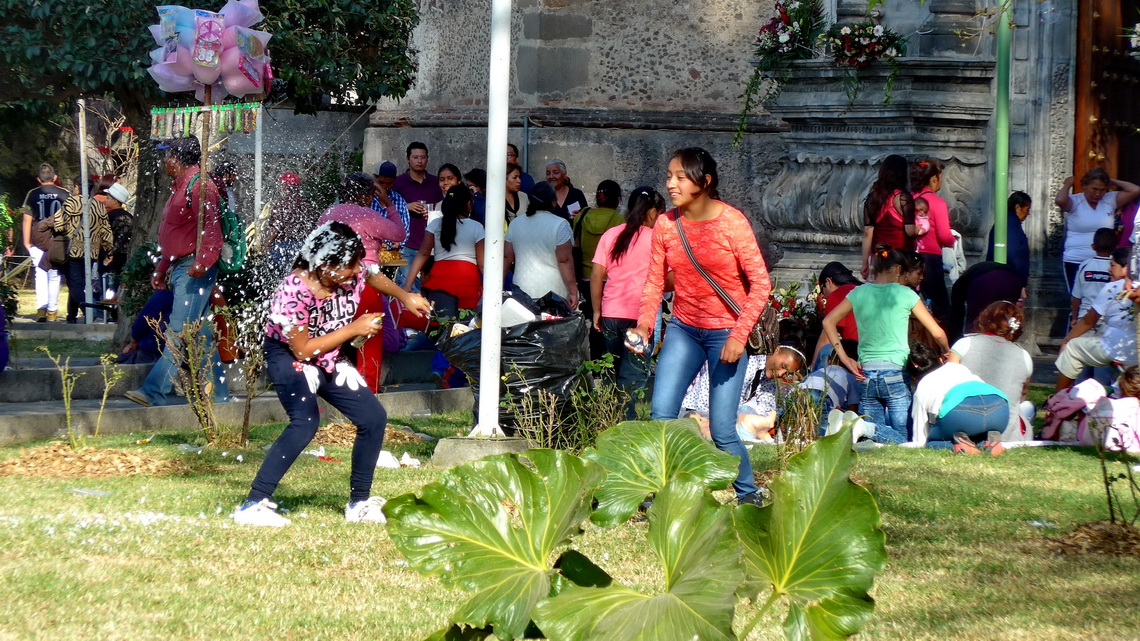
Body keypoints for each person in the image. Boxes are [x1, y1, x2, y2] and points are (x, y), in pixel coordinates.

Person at [232, 221, 431, 527]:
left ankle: (359, 504)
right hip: (290, 357)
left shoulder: (348, 272)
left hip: (327, 353)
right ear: (324, 265)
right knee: (305, 421)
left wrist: (406, 298)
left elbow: (374, 275)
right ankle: (253, 504)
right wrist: (354, 329)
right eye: (350, 267)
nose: (356, 273)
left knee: (373, 417)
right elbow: (302, 350)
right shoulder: (294, 292)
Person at [630, 147, 772, 505]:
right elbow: (653, 282)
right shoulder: (666, 224)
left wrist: (739, 336)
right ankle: (657, 495)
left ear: (704, 182)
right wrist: (645, 326)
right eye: (669, 176)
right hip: (684, 329)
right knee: (662, 417)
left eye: (680, 177)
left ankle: (747, 494)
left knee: (723, 428)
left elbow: (761, 284)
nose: (671, 184)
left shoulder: (732, 223)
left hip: (727, 333)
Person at [124, 136, 229, 408]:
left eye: (167, 156)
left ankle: (154, 391)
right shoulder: (181, 186)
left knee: (179, 330)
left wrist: (203, 262)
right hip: (179, 266)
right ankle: (221, 393)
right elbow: (175, 234)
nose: (164, 162)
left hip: (193, 269)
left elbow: (212, 230)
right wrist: (162, 267)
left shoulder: (201, 186)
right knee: (202, 332)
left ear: (178, 159)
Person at [822, 247, 949, 444]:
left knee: (875, 439)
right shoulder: (906, 294)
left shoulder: (858, 293)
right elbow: (937, 332)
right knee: (902, 437)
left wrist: (845, 358)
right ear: (899, 270)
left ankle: (863, 428)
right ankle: (861, 427)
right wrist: (946, 350)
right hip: (896, 373)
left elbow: (828, 321)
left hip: (866, 373)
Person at [318, 173, 407, 393]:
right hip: (365, 284)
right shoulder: (368, 216)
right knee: (370, 339)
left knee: (336, 335)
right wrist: (388, 204)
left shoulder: (327, 214)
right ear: (367, 196)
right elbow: (399, 234)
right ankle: (368, 390)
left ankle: (334, 388)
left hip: (332, 285)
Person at [590, 186, 665, 419]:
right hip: (642, 317)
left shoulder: (611, 235)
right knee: (632, 376)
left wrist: (596, 311)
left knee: (611, 372)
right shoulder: (656, 239)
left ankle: (609, 421)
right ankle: (626, 425)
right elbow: (668, 278)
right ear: (653, 212)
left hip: (611, 314)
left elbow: (596, 276)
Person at [948, 301, 1034, 443]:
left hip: (963, 428)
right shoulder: (1024, 356)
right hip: (1007, 434)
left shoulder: (964, 344)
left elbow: (946, 382)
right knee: (1028, 408)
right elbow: (1022, 395)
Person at [1055, 247, 1136, 392]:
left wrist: (1067, 340)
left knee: (1073, 348)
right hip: (1133, 351)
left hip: (1115, 347)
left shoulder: (1112, 288)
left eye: (1112, 265)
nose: (1109, 269)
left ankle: (1057, 400)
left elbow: (1088, 321)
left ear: (1126, 268)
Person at [909, 342, 1009, 455]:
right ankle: (987, 442)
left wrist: (924, 443)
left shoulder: (923, 384)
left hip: (961, 411)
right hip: (999, 405)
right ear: (941, 360)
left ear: (914, 377)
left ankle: (959, 446)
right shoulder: (959, 368)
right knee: (975, 433)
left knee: (932, 442)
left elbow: (920, 433)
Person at [1054, 169, 1140, 293]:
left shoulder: (1110, 199)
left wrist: (1111, 181)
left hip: (1104, 260)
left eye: (1102, 190)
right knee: (1077, 296)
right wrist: (1067, 184)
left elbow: (1135, 190)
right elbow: (1060, 201)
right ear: (1084, 186)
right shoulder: (1075, 201)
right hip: (1076, 258)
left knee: (1103, 296)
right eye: (1094, 189)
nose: (1098, 194)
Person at [404, 184, 485, 309]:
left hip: (439, 282)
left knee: (441, 322)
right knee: (466, 324)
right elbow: (482, 264)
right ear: (468, 204)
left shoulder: (435, 224)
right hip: (467, 281)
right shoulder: (477, 227)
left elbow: (423, 253)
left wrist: (408, 284)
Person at [503, 182, 577, 306]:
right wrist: (573, 291)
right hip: (553, 292)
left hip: (522, 289)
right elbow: (564, 261)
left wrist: (498, 286)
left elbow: (506, 258)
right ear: (553, 202)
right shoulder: (560, 225)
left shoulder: (516, 223)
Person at [55, 177, 113, 324]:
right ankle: (71, 315)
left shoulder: (70, 202)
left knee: (74, 283)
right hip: (92, 251)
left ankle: (90, 311)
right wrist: (108, 250)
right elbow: (106, 231)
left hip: (73, 248)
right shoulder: (98, 206)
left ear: (77, 188)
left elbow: (58, 224)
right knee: (78, 282)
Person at [20, 163, 68, 322]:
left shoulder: (32, 194)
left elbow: (27, 218)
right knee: (55, 275)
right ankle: (53, 311)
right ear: (55, 178)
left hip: (38, 240)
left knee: (40, 273)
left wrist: (27, 243)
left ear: (38, 179)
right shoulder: (64, 193)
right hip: (58, 240)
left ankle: (41, 309)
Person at [393, 143, 443, 291]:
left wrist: (433, 212)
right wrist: (406, 207)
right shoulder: (399, 182)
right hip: (408, 242)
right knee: (408, 284)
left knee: (432, 285)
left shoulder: (435, 182)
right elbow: (386, 208)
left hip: (433, 242)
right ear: (408, 159)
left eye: (423, 157)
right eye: (415, 157)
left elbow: (443, 206)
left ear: (427, 159)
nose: (419, 161)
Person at [910, 159, 954, 322]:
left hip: (909, 256)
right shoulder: (937, 203)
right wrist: (952, 240)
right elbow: (944, 235)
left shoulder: (909, 199)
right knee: (940, 306)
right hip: (930, 258)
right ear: (934, 178)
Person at [860, 154, 915, 278]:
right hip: (900, 256)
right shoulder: (903, 198)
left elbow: (868, 231)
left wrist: (864, 263)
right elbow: (910, 231)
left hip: (879, 257)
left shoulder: (873, 198)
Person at [947, 261, 1025, 343]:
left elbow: (956, 315)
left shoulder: (958, 288)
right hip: (1013, 279)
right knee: (1006, 317)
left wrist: (953, 342)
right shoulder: (966, 280)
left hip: (985, 279)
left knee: (975, 323)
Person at [800, 338, 862, 435]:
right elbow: (853, 409)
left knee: (795, 416)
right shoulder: (850, 377)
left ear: (829, 360)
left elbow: (804, 381)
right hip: (823, 396)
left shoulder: (819, 372)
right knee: (824, 426)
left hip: (801, 390)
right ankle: (820, 439)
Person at [265, 172, 319, 276]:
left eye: (282, 185)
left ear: (285, 188)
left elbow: (275, 228)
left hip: (282, 247)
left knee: (277, 278)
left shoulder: (281, 205)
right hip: (300, 246)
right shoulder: (305, 205)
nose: (280, 188)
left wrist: (267, 245)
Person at [810, 261, 861, 368]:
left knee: (825, 350)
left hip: (856, 354)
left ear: (828, 282)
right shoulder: (862, 290)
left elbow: (826, 338)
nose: (824, 297)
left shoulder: (838, 294)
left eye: (822, 290)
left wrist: (812, 369)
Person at [96, 180, 133, 315]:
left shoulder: (107, 217)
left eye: (108, 198)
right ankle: (117, 314)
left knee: (107, 288)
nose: (105, 200)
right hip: (124, 258)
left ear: (115, 201)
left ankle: (106, 314)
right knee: (119, 287)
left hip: (108, 258)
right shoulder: (129, 217)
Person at [1070, 228, 1116, 325]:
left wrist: (1074, 318)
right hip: (1107, 319)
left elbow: (1076, 297)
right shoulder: (1116, 267)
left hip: (1084, 317)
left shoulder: (1084, 266)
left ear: (1093, 247)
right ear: (1115, 247)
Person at [987, 191, 1032, 285]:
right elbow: (1014, 254)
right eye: (1027, 209)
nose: (1028, 214)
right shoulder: (1012, 225)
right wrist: (1020, 282)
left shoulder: (1004, 221)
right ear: (1018, 208)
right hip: (1008, 281)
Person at [371, 161, 411, 253]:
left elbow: (405, 230)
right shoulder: (367, 198)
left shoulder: (400, 201)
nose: (384, 187)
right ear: (375, 179)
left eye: (389, 184)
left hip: (390, 253)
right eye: (381, 183)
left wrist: (399, 242)